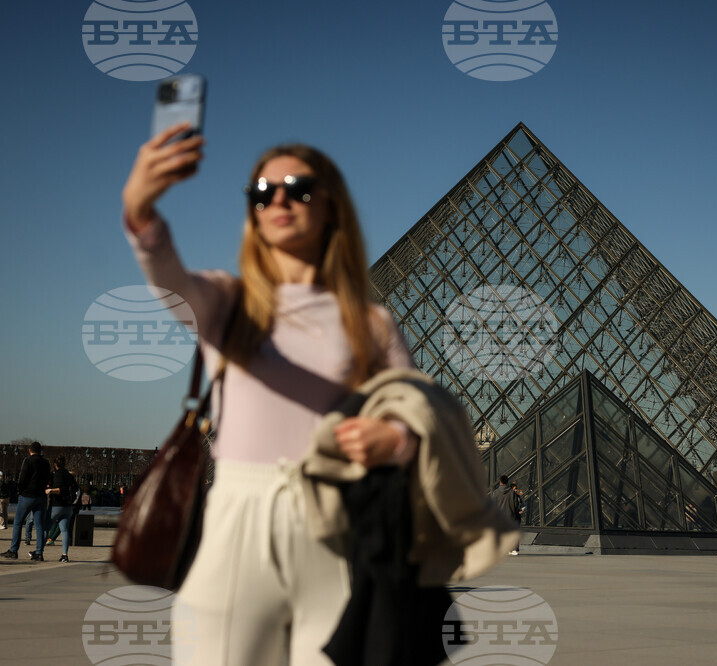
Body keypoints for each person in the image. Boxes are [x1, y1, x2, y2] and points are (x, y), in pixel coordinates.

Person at [121, 126, 515, 665]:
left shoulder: (371, 323)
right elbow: (164, 275)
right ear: (253, 213)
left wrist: (392, 441)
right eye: (263, 193)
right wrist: (140, 212)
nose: (278, 199)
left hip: (336, 522)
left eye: (297, 188)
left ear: (332, 206)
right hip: (237, 518)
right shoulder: (224, 301)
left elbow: (414, 414)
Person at [2, 441, 51, 561]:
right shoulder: (46, 463)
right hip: (41, 497)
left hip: (27, 496)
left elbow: (22, 478)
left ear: (30, 450)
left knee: (18, 522)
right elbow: (48, 478)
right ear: (41, 451)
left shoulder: (28, 461)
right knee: (39, 526)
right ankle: (39, 552)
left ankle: (14, 550)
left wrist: (21, 491)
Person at [45, 456, 78, 563]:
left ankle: (39, 551)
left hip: (56, 505)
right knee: (64, 530)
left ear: (55, 464)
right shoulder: (69, 475)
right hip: (68, 507)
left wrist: (50, 491)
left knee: (45, 527)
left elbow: (60, 489)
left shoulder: (58, 474)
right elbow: (76, 488)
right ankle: (64, 555)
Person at [491, 476, 523, 555]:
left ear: (500, 482)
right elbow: (516, 504)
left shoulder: (495, 492)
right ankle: (513, 549)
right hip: (510, 515)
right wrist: (515, 512)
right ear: (507, 482)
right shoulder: (512, 492)